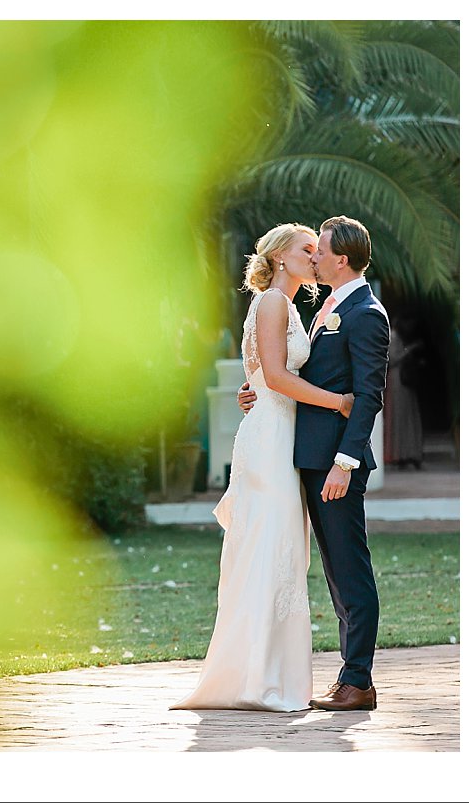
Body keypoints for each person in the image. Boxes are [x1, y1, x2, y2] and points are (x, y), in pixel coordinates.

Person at [171, 223, 354, 712]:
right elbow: (273, 375)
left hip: (278, 434)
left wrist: (256, 388)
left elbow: (264, 375)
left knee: (278, 552)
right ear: (279, 257)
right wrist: (339, 402)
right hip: (271, 440)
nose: (316, 257)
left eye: (317, 250)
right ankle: (255, 679)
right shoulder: (274, 302)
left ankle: (264, 674)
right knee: (270, 548)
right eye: (307, 249)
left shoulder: (287, 305)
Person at [236, 215, 389, 712]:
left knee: (350, 570)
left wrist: (345, 463)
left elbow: (366, 397)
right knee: (334, 572)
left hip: (335, 463)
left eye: (319, 251)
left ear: (340, 259)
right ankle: (349, 676)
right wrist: (256, 388)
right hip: (307, 456)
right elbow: (285, 370)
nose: (314, 257)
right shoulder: (325, 307)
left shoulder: (366, 312)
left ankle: (357, 680)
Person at [384, 317, 425, 469]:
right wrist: (410, 349)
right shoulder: (393, 336)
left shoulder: (396, 337)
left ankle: (405, 453)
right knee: (399, 416)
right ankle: (399, 454)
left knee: (405, 417)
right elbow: (393, 358)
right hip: (398, 381)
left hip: (401, 381)